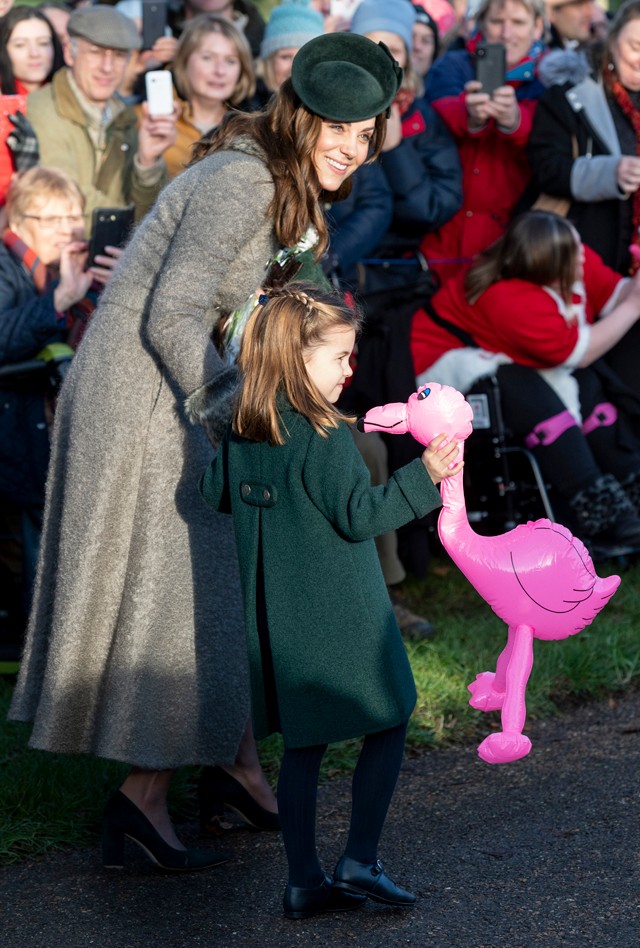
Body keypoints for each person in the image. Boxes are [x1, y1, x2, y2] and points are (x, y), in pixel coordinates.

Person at [8, 31, 404, 873]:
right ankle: (145, 799)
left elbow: (294, 304)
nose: (351, 147)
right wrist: (244, 413)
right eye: (337, 128)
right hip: (141, 393)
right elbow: (173, 314)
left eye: (365, 133)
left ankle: (234, 770)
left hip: (179, 385)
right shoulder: (244, 180)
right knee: (186, 596)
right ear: (300, 118)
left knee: (213, 585)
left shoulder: (286, 186)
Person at [201, 284, 463, 919]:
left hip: (280, 620)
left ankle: (303, 882)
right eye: (340, 357)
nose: (351, 369)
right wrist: (425, 475)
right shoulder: (323, 434)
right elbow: (360, 515)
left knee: (303, 747)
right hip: (343, 612)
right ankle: (359, 860)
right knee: (393, 714)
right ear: (296, 358)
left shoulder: (247, 426)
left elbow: (215, 494)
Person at [411, 210, 640, 552]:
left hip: (509, 353)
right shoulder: (508, 297)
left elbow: (615, 294)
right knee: (534, 396)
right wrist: (634, 305)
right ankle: (598, 507)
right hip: (451, 362)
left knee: (589, 386)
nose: (584, 255)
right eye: (575, 252)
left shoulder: (568, 254)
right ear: (546, 265)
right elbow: (578, 353)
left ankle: (632, 486)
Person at [0, 165, 121, 621]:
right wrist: (59, 300)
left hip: (48, 434)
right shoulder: (6, 266)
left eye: (74, 217)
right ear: (18, 223)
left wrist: (113, 285)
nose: (68, 229)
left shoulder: (71, 270)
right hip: (17, 435)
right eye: (53, 219)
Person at [422, 0, 547, 284]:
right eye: (497, 21)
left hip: (509, 239)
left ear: (537, 27)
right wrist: (468, 115)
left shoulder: (549, 77)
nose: (506, 33)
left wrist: (516, 120)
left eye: (518, 23)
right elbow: (430, 118)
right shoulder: (453, 64)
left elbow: (553, 146)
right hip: (442, 233)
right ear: (481, 23)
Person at [26, 4, 177, 224]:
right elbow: (65, 197)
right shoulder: (41, 107)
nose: (107, 67)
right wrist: (128, 231)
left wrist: (147, 161)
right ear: (69, 53)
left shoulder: (127, 118)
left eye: (119, 55)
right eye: (95, 52)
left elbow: (148, 212)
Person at [159, 13, 256, 179]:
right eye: (207, 58)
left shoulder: (252, 130)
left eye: (230, 61)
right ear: (184, 61)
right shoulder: (150, 122)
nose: (220, 70)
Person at [0, 8, 65, 205]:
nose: (34, 54)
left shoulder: (70, 97)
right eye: (20, 45)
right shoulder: (4, 106)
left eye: (43, 43)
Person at [254, 0, 324, 108]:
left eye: (305, 57)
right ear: (269, 61)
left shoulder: (332, 113)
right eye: (285, 57)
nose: (294, 67)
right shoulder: (248, 110)